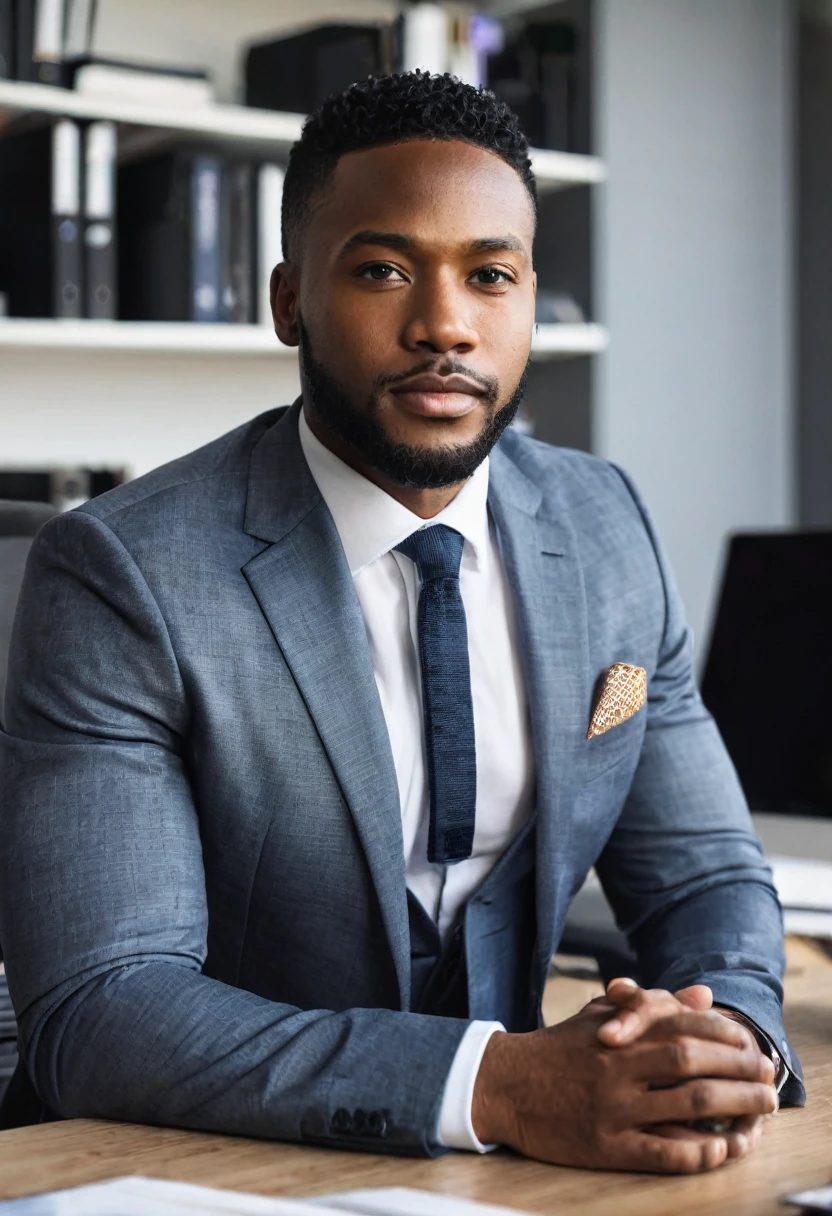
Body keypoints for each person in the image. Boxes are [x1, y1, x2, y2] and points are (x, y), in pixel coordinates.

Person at [0, 72, 803, 1173]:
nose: (444, 324)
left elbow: (707, 876)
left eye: (490, 275)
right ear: (288, 301)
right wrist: (498, 1083)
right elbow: (103, 1006)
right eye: (383, 269)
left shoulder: (603, 524)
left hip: (522, 1174)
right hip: (202, 1171)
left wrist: (723, 1044)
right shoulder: (122, 572)